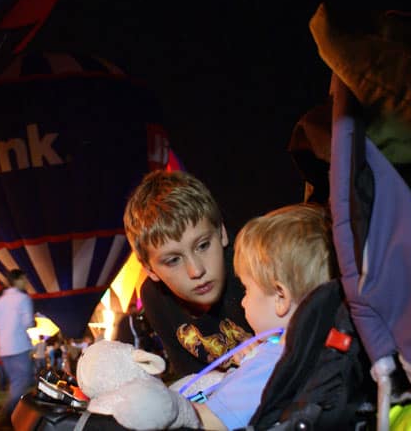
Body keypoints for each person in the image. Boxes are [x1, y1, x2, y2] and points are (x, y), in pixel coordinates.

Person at [194, 203, 337, 430]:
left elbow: (210, 423)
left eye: (247, 289)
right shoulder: (322, 352)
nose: (242, 301)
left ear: (281, 297)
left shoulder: (273, 364)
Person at [123, 170, 252, 376]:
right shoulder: (154, 298)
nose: (196, 270)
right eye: (173, 260)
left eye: (202, 245)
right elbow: (192, 381)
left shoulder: (255, 264)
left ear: (222, 233)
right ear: (149, 269)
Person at [0, 268, 36, 425]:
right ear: (17, 280)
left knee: (16, 382)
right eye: (24, 279)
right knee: (22, 382)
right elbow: (28, 322)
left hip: (4, 348)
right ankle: (7, 414)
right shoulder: (23, 299)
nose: (26, 282)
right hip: (19, 346)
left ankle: (13, 414)